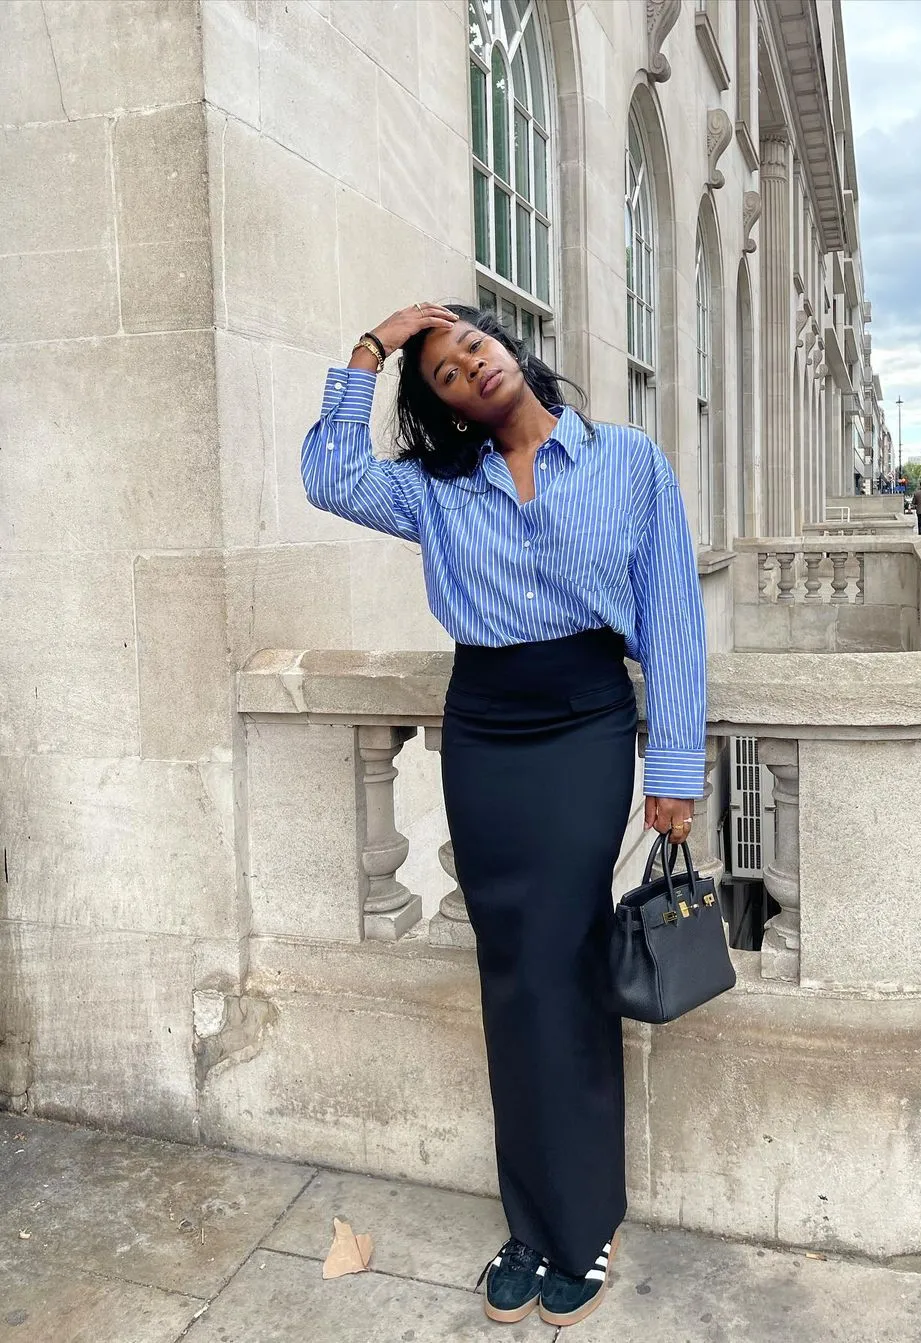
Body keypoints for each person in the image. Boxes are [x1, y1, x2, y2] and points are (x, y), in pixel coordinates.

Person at [301, 301, 707, 1329]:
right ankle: (530, 1223)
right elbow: (329, 475)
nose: (467, 367)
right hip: (484, 730)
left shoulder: (628, 460)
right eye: (441, 372)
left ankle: (587, 1217)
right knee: (507, 971)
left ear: (513, 350)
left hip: (582, 726)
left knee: (566, 962)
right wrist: (371, 349)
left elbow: (671, 615)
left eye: (473, 346)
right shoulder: (438, 490)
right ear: (442, 406)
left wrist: (675, 766)